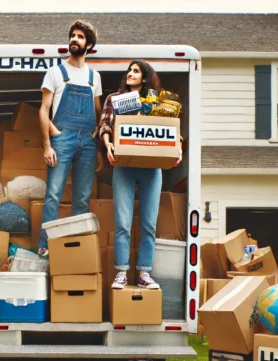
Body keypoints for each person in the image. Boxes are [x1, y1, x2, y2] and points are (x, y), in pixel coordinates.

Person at [98, 60, 182, 289]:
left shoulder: (156, 102)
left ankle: (144, 273)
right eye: (129, 70)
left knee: (148, 224)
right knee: (123, 222)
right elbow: (104, 126)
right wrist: (108, 146)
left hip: (152, 169)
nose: (130, 74)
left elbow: (171, 130)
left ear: (145, 78)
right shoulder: (115, 99)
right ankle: (122, 273)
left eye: (136, 71)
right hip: (123, 166)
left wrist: (177, 150)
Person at [37, 20, 104, 257]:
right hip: (61, 140)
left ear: (89, 45)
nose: (74, 39)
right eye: (72, 36)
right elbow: (44, 109)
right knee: (53, 194)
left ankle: (76, 249)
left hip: (87, 142)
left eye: (80, 37)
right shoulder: (55, 72)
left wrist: (96, 144)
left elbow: (98, 113)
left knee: (82, 198)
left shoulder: (94, 77)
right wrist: (49, 142)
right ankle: (44, 247)